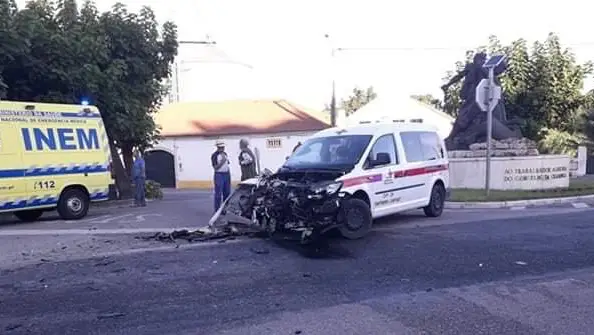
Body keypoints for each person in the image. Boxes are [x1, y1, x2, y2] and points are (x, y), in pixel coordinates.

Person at [211, 140, 231, 212]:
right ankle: (217, 210)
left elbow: (228, 163)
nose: (222, 149)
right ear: (218, 147)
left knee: (227, 193)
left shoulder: (225, 154)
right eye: (221, 147)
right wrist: (222, 162)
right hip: (219, 174)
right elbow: (215, 167)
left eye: (223, 147)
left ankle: (225, 209)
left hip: (226, 174)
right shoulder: (214, 155)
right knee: (218, 193)